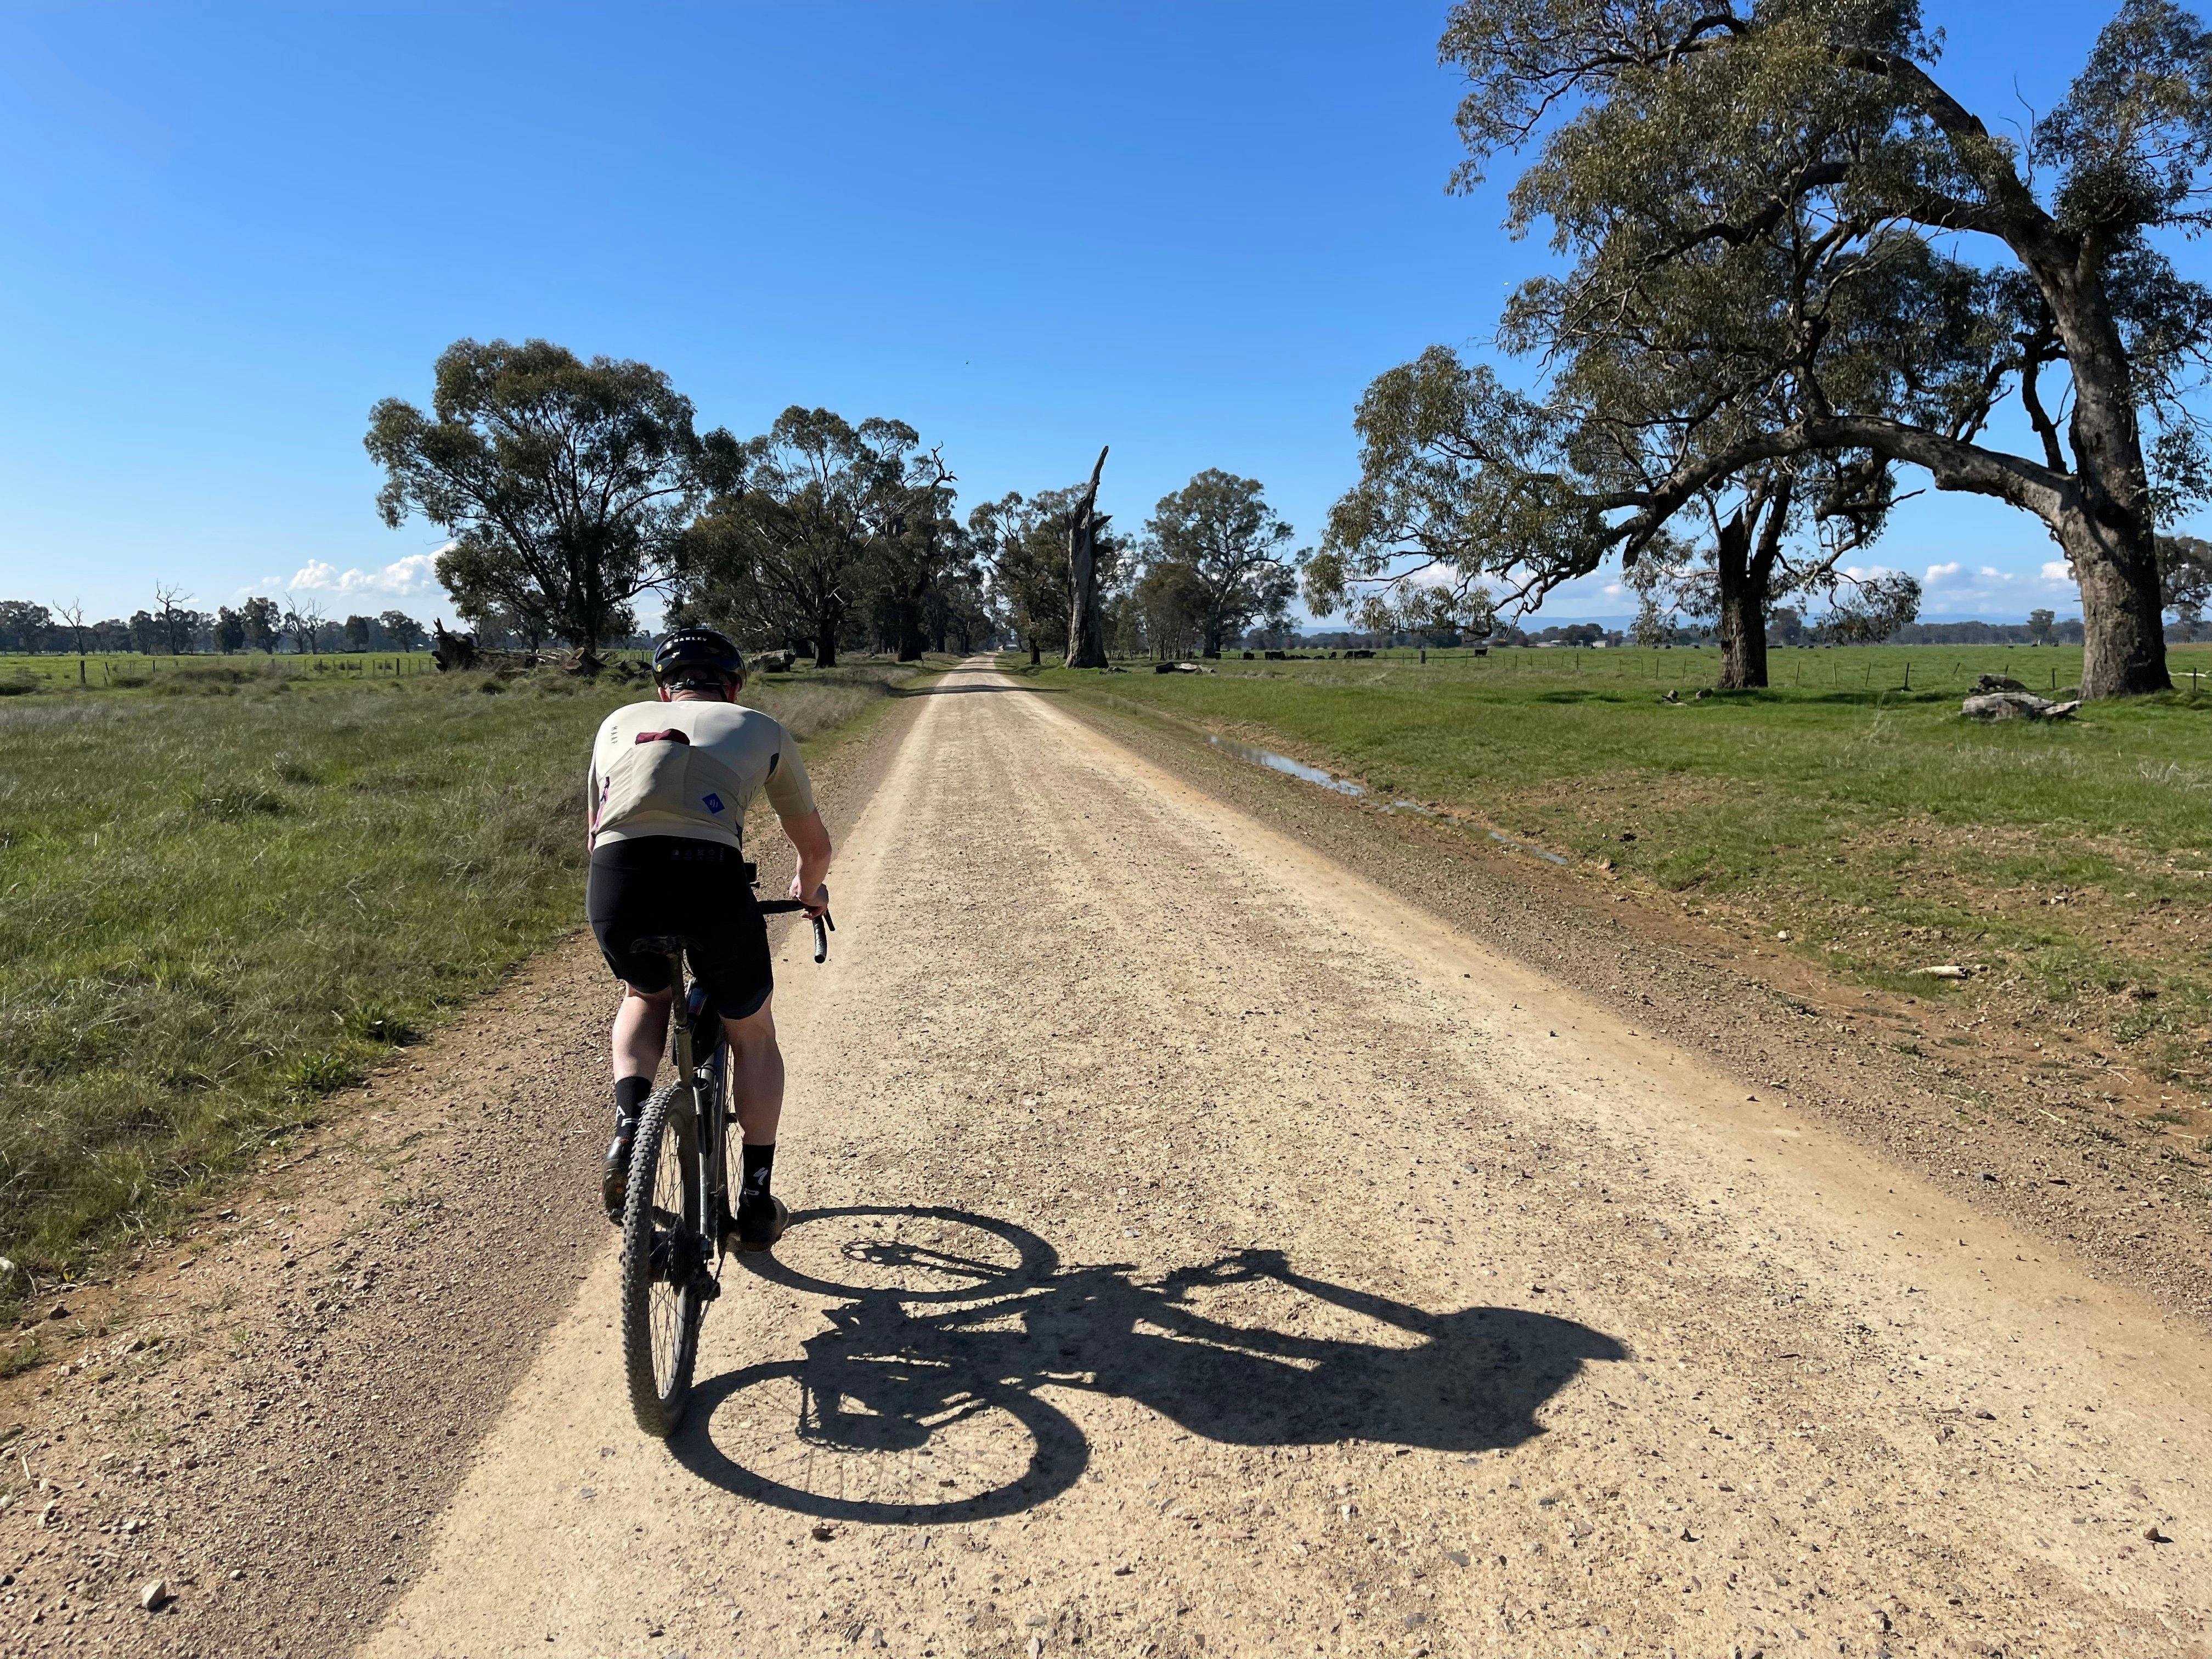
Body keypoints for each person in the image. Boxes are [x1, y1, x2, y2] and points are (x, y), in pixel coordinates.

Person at [585, 626, 831, 1249]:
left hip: (618, 882)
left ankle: (628, 1127)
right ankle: (754, 1196)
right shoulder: (762, 728)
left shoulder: (618, 720)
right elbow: (814, 847)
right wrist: (809, 892)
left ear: (665, 690)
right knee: (752, 1032)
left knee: (645, 996)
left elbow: (597, 829)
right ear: (734, 686)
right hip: (710, 882)